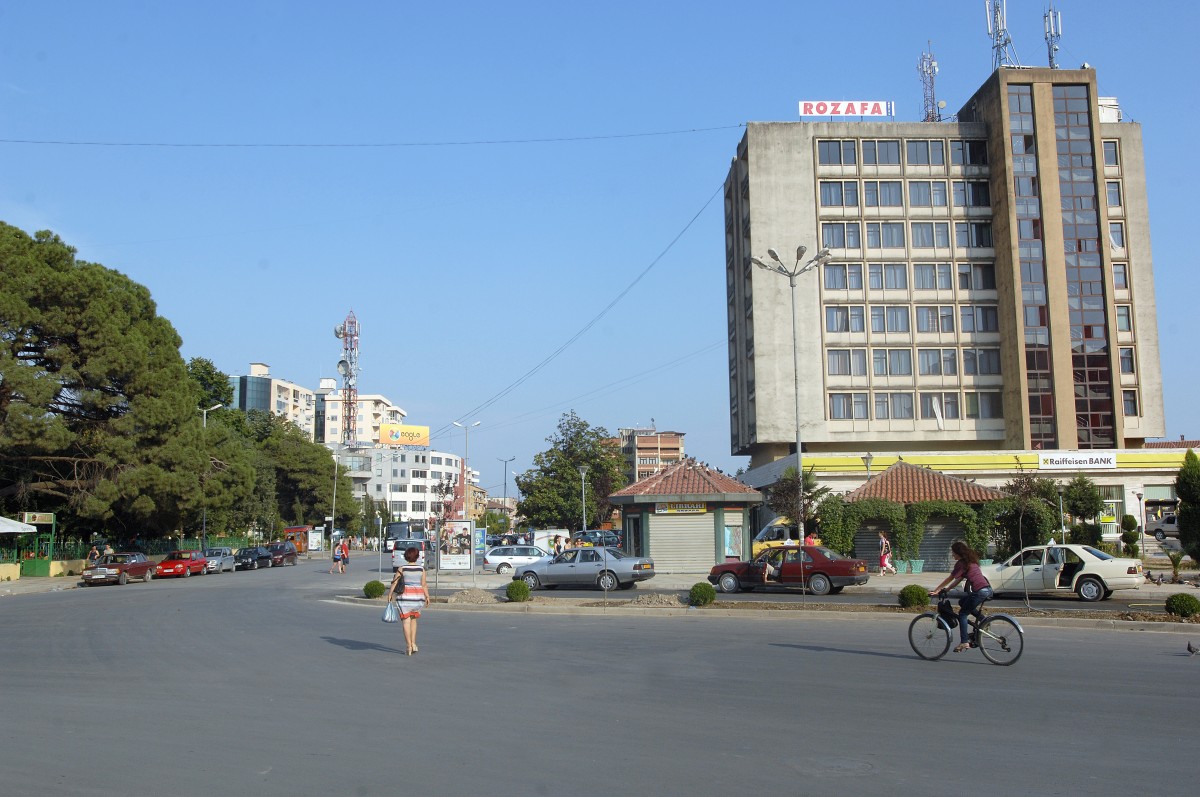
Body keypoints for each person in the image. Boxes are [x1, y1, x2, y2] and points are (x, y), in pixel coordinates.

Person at [929, 540, 994, 653]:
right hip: (987, 590)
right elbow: (958, 579)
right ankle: (983, 620)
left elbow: (950, 578)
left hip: (979, 592)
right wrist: (946, 589)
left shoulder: (961, 563)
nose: (952, 555)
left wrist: (936, 590)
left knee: (963, 613)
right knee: (962, 602)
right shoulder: (970, 562)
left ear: (958, 553)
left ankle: (964, 641)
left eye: (953, 553)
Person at [385, 546, 430, 656]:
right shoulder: (421, 569)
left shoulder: (402, 568)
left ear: (406, 556)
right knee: (414, 620)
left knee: (406, 622)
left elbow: (394, 582)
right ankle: (414, 644)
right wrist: (427, 597)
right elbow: (424, 585)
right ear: (417, 557)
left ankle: (408, 646)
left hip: (405, 598)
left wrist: (390, 594)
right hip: (418, 598)